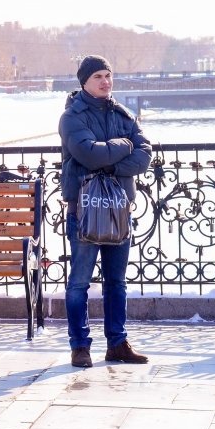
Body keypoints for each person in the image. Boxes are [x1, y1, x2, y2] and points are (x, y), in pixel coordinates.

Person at [59, 55, 152, 368]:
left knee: (117, 281)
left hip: (118, 208)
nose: (105, 81)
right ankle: (80, 346)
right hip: (84, 209)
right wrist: (124, 147)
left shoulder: (123, 113)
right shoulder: (72, 116)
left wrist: (109, 162)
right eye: (98, 76)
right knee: (79, 282)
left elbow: (145, 155)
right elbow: (86, 153)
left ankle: (117, 343)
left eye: (108, 75)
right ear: (84, 80)